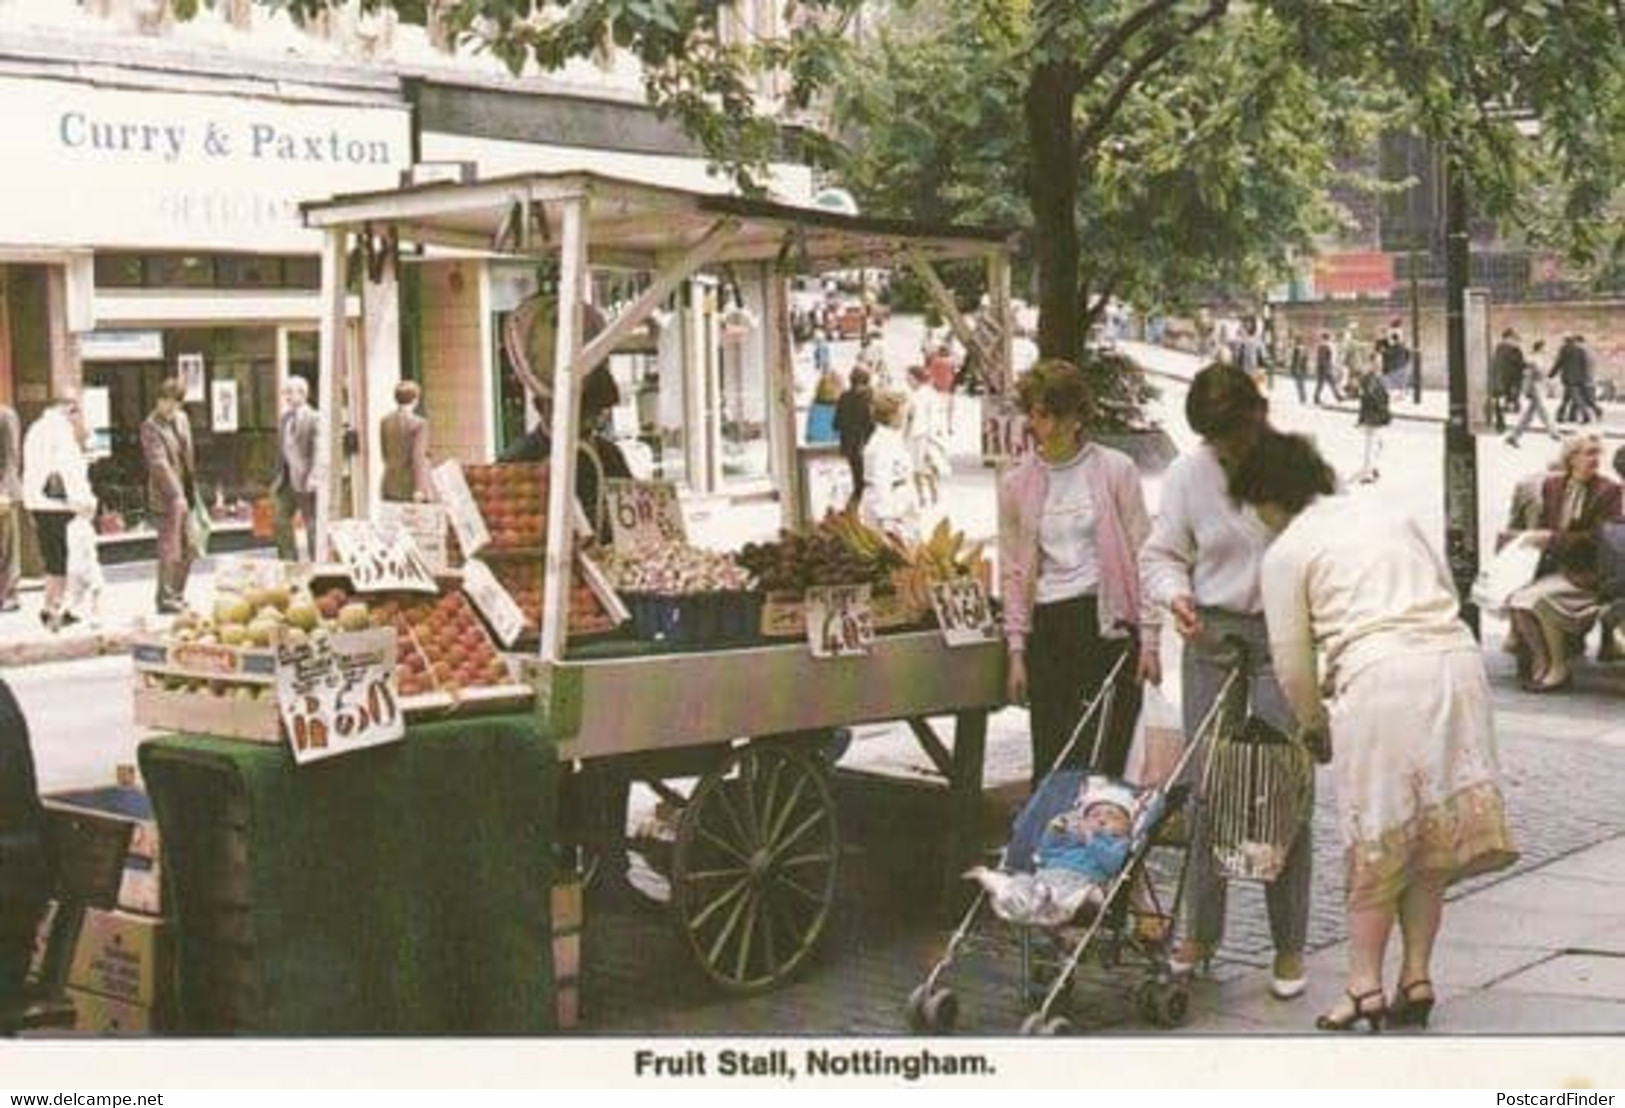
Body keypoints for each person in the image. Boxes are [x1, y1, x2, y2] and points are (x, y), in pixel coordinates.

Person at [1231, 430, 1518, 1032]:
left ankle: (1363, 987)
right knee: (1429, 839)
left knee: (1377, 835)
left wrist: (1312, 727)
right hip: (1454, 666)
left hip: (1380, 675)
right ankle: (1416, 976)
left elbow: (1291, 662)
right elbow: (1444, 585)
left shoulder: (1287, 553)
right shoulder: (1386, 507)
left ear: (1265, 498)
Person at [1139, 362, 1312, 1001]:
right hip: (1212, 636)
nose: (1226, 450)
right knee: (1208, 787)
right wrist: (1175, 596)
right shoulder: (1188, 474)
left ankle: (1289, 945)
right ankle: (1199, 935)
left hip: (1281, 635)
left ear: (1256, 415)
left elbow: (1328, 551)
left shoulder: (1295, 466)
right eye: (1214, 440)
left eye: (1233, 435)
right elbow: (1161, 553)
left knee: (1275, 788)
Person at [999, 359, 1153, 792]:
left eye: (1047, 413)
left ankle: (1108, 848)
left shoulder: (1115, 470)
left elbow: (1145, 552)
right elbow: (1013, 570)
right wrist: (1016, 648)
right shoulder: (1017, 484)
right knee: (1053, 751)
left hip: (1107, 623)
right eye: (1032, 412)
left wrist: (1150, 636)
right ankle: (1049, 847)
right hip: (1050, 624)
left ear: (1075, 417)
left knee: (1109, 752)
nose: (1036, 423)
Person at [1505, 433, 1622, 691]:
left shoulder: (1609, 490)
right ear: (1571, 458)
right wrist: (1535, 542)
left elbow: (1600, 537)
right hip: (1558, 568)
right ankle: (1543, 660)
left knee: (1534, 600)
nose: (1596, 459)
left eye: (1597, 453)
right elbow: (1547, 524)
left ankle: (1557, 668)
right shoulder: (1553, 486)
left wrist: (1553, 538)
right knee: (1516, 599)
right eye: (1589, 453)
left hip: (1589, 572)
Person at [964, 778, 1136, 926]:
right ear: (1084, 820)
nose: (1102, 819)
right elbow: (1045, 854)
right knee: (1025, 883)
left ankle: (1009, 890)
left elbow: (1112, 865)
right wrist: (1053, 832)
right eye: (1095, 815)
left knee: (1060, 898)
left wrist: (1090, 840)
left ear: (1126, 826)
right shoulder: (1073, 837)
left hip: (1080, 882)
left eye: (1112, 815)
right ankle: (1006, 888)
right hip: (1047, 876)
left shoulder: (1118, 843)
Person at [500, 364, 630, 541]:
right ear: (541, 406)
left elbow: (633, 520)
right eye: (582, 412)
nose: (590, 423)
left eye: (596, 413)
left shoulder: (610, 455)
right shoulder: (516, 462)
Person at [21, 395, 93, 632]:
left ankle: (50, 606)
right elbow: (68, 469)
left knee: (52, 557)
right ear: (68, 410)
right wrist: (83, 502)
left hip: (37, 503)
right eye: (76, 412)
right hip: (58, 506)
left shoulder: (36, 428)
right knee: (64, 559)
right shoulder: (60, 431)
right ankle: (56, 610)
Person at [139, 377, 198, 613]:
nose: (172, 409)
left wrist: (190, 491)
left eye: (176, 404)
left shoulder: (182, 420)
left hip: (186, 491)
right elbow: (158, 464)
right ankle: (165, 598)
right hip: (167, 497)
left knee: (191, 546)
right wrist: (176, 495)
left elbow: (187, 456)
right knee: (169, 547)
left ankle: (178, 592)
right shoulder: (150, 426)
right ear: (159, 400)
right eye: (168, 403)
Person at [272, 376, 321, 562]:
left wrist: (314, 476)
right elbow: (281, 450)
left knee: (311, 524)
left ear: (302, 393)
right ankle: (289, 563)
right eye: (285, 393)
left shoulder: (314, 417)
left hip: (306, 480)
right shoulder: (284, 419)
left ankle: (316, 564)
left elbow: (319, 450)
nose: (287, 397)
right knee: (280, 520)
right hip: (285, 481)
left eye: (290, 393)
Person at [860, 390, 920, 541]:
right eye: (903, 413)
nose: (905, 418)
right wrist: (887, 519)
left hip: (897, 505)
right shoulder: (883, 444)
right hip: (891, 508)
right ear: (893, 415)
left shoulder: (890, 438)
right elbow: (882, 479)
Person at [379, 380, 433, 504]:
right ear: (415, 400)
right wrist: (419, 488)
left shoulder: (385, 421)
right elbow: (418, 457)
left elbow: (385, 454)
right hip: (410, 486)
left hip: (390, 483)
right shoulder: (419, 424)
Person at [904, 365, 949, 509]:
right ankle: (923, 496)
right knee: (916, 468)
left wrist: (934, 435)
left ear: (917, 379)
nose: (907, 381)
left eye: (910, 378)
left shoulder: (926, 394)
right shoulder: (914, 394)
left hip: (923, 435)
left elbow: (933, 416)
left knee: (923, 467)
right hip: (915, 435)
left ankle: (932, 494)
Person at [833, 367, 875, 513]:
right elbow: (871, 424)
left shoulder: (844, 397)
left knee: (857, 482)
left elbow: (836, 424)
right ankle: (855, 514)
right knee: (869, 484)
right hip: (866, 445)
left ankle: (853, 513)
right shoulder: (870, 397)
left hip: (849, 445)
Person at [1504, 339, 1561, 447]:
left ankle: (1514, 436)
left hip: (1538, 386)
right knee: (1543, 411)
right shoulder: (1534, 358)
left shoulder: (1538, 358)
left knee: (1528, 415)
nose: (1547, 349)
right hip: (1534, 387)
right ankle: (1553, 433)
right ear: (1541, 347)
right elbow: (1535, 373)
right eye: (1545, 347)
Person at [1354, 367, 1392, 484]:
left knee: (1379, 444)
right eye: (1377, 363)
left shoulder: (1374, 380)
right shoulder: (1370, 380)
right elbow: (1372, 399)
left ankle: (1372, 468)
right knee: (1371, 447)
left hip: (1373, 418)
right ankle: (1367, 473)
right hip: (1373, 419)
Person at [0, 401, 20, 612]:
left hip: (2, 492)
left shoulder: (5, 415)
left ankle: (10, 594)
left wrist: (5, 491)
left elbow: (11, 457)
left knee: (7, 547)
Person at [1489, 329, 1526, 431]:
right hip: (1507, 382)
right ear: (1508, 338)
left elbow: (1496, 366)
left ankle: (1500, 423)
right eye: (1514, 338)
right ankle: (1501, 423)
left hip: (1500, 381)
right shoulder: (1513, 350)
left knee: (1499, 402)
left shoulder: (1499, 349)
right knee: (1503, 402)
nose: (1516, 341)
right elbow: (1519, 365)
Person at [1313, 330, 1338, 406]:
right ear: (1328, 337)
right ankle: (1338, 396)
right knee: (1331, 383)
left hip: (1322, 367)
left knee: (1323, 383)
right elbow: (1327, 358)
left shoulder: (1322, 346)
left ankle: (1316, 398)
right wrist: (1329, 367)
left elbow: (1320, 358)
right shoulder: (1326, 346)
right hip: (1326, 367)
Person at [1287, 333, 1309, 404]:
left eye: (1295, 340)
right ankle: (1303, 398)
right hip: (1303, 368)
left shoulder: (1297, 349)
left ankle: (1303, 398)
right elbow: (1305, 359)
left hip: (1298, 368)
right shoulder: (1305, 349)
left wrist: (1294, 369)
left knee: (1299, 384)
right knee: (1301, 384)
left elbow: (1297, 359)